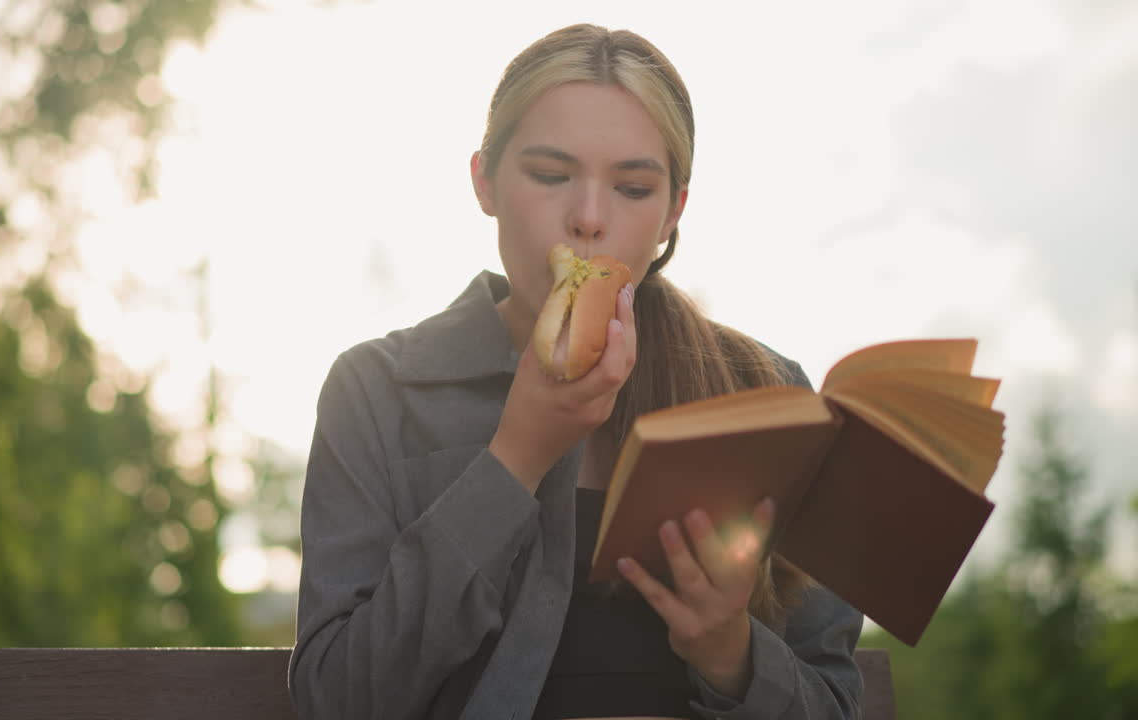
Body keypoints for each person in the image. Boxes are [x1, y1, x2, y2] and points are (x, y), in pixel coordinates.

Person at [287, 23, 864, 720]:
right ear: (485, 182)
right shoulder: (378, 392)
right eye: (551, 175)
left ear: (672, 211)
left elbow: (834, 703)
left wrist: (729, 654)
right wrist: (515, 459)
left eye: (632, 187)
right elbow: (337, 700)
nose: (588, 219)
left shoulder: (768, 396)